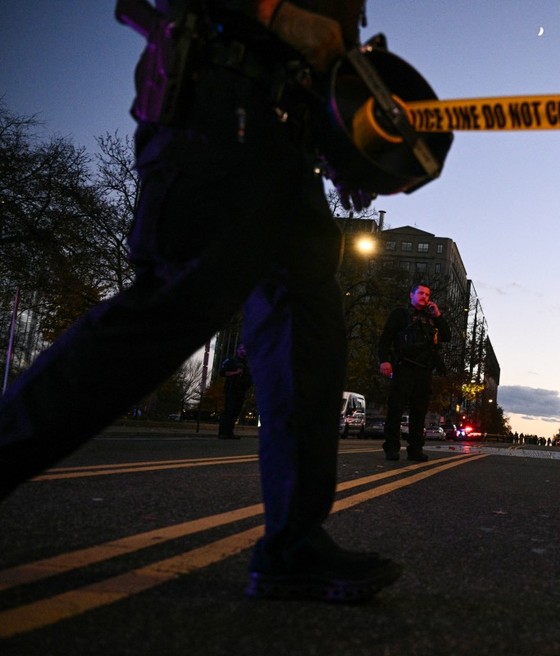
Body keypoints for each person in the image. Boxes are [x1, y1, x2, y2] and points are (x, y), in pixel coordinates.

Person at [0, 0, 403, 603]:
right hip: (217, 96)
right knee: (175, 303)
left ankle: (293, 546)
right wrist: (270, 12)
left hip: (289, 140)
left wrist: (354, 146)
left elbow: (321, 64)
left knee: (309, 335)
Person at [378, 284, 450, 462]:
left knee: (419, 411)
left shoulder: (431, 318)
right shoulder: (401, 315)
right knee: (396, 408)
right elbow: (386, 338)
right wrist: (384, 360)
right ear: (412, 295)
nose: (424, 297)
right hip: (403, 367)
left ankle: (415, 449)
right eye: (420, 293)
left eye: (427, 294)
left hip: (424, 370)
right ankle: (392, 447)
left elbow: (447, 336)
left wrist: (438, 316)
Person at [218, 343, 252, 439]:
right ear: (237, 350)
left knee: (236, 411)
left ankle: (230, 432)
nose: (244, 350)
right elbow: (222, 372)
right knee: (229, 410)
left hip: (241, 391)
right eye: (242, 348)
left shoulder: (247, 364)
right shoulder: (231, 361)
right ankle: (223, 433)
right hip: (231, 389)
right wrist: (236, 372)